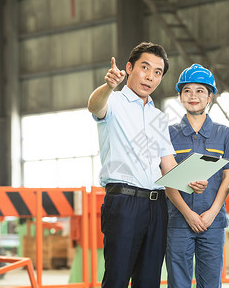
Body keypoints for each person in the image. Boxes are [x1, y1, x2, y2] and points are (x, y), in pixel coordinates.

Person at [87, 42, 207, 288]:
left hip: (157, 206)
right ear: (129, 68)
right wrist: (109, 86)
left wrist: (189, 180)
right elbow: (94, 106)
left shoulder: (158, 117)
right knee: (117, 278)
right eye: (145, 68)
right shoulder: (114, 102)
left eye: (157, 72)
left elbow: (167, 163)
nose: (150, 77)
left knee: (149, 280)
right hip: (123, 202)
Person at [165, 64, 229, 288]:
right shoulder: (168, 134)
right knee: (178, 283)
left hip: (212, 222)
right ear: (179, 96)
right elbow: (167, 180)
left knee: (211, 283)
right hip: (178, 220)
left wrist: (211, 214)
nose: (193, 96)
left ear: (210, 97)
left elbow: (228, 177)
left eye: (200, 91)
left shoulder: (224, 134)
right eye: (187, 90)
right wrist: (188, 215)